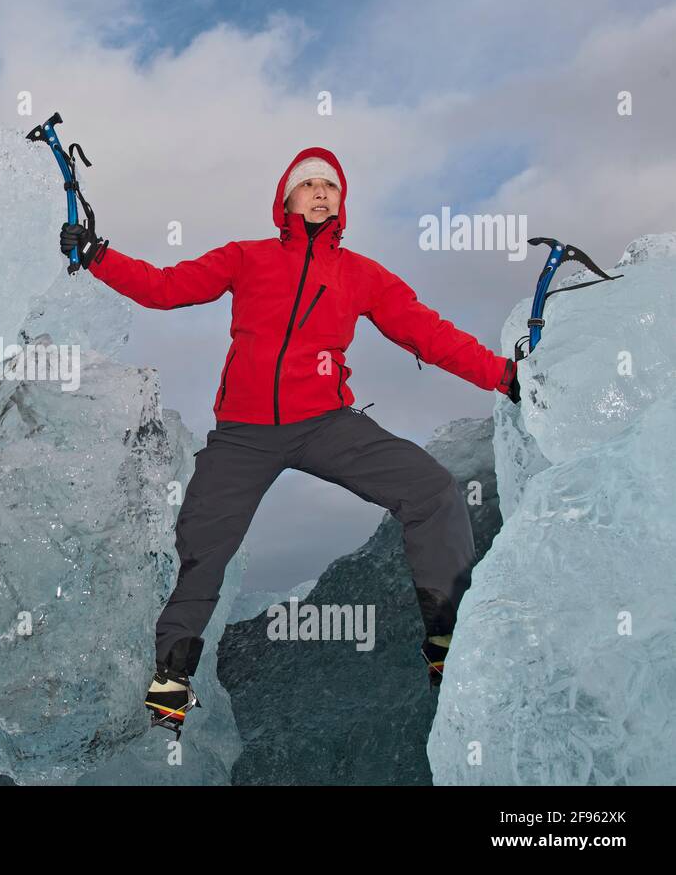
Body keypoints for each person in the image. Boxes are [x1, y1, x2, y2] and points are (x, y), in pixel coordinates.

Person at [59, 147, 520, 732]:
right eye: (310, 185)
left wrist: (503, 375)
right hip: (244, 435)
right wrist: (98, 254)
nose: (323, 192)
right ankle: (172, 676)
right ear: (286, 201)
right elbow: (165, 288)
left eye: (332, 185)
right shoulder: (246, 258)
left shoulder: (362, 275)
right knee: (204, 543)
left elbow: (429, 334)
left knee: (431, 489)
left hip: (326, 423)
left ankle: (447, 635)